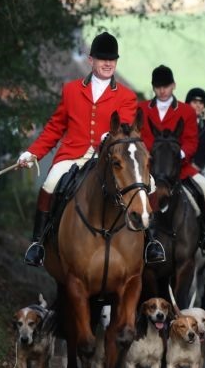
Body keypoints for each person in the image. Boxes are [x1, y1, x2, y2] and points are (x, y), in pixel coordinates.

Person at [17, 32, 138, 267]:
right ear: (91, 60)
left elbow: (123, 126)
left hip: (109, 158)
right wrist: (33, 153)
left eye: (112, 59)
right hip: (73, 155)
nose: (108, 63)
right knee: (49, 184)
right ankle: (38, 244)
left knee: (147, 185)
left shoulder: (126, 96)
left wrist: (111, 136)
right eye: (103, 58)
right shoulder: (71, 90)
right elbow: (55, 127)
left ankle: (150, 242)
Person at [140, 66, 205, 260]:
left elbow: (192, 140)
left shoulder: (186, 110)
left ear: (174, 86)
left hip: (180, 169)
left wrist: (180, 154)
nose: (162, 90)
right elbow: (138, 137)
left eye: (166, 86)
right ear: (153, 88)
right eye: (158, 87)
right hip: (149, 170)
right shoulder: (141, 109)